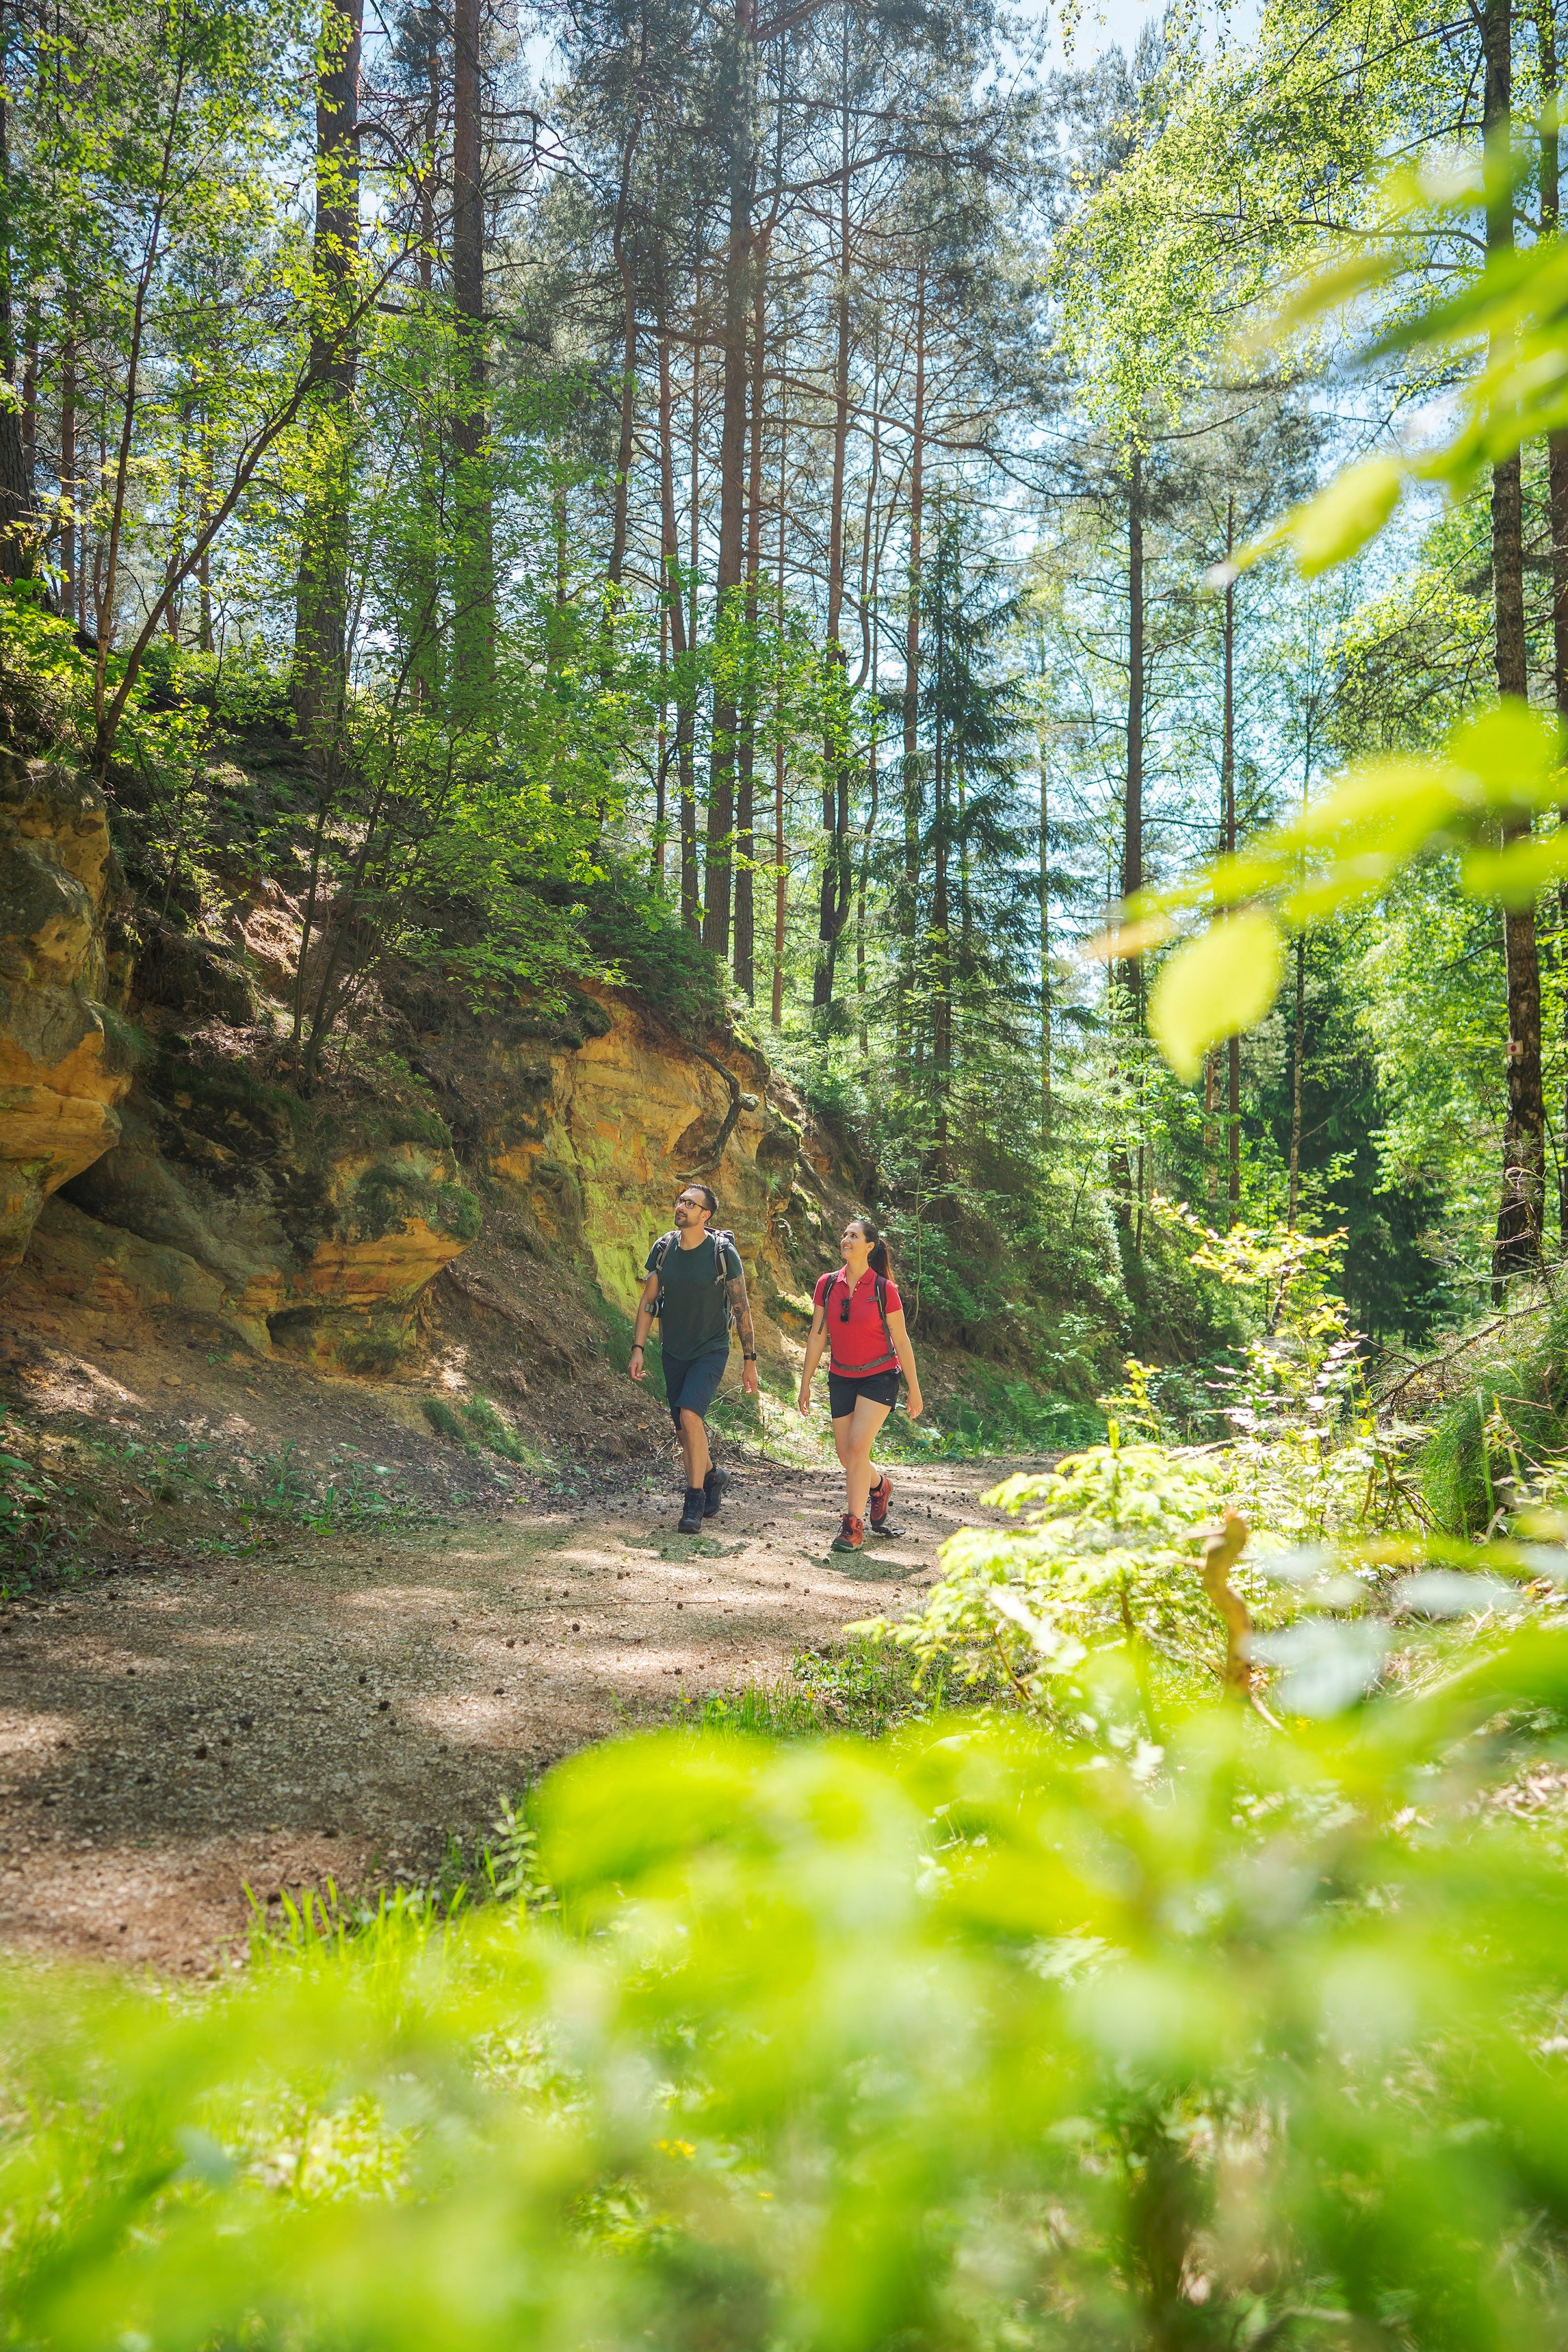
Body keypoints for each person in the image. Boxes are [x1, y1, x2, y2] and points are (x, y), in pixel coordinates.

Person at [630, 1183, 760, 1534]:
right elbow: (648, 1301)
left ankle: (694, 1500)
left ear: (706, 1215)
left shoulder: (722, 1253)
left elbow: (741, 1306)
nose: (682, 1206)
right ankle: (714, 1475)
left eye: (691, 1203)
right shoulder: (664, 1249)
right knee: (684, 1430)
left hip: (711, 1348)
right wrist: (638, 1348)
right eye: (681, 1200)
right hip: (673, 1349)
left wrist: (750, 1358)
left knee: (691, 1415)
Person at [796, 1214, 923, 1553]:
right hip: (841, 1376)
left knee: (855, 1449)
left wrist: (914, 1387)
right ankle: (880, 1486)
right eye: (845, 1234)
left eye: (854, 1235)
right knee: (846, 1455)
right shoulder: (826, 1284)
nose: (846, 1239)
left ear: (869, 1246)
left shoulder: (884, 1289)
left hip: (879, 1375)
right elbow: (817, 1335)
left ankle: (852, 1527)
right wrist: (806, 1382)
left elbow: (902, 1339)